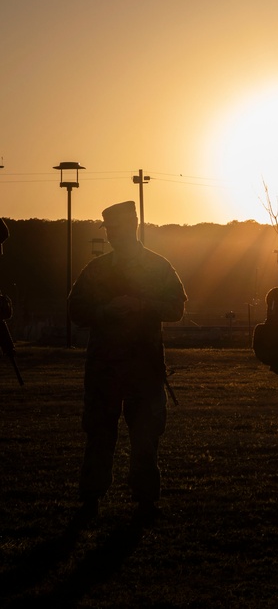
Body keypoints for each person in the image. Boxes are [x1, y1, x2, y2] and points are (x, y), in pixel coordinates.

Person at [68, 201, 187, 523]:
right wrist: (104, 311)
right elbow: (75, 310)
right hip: (106, 368)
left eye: (116, 229)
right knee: (99, 434)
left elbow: (176, 308)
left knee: (146, 437)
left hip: (143, 367)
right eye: (109, 230)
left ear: (131, 226)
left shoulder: (157, 267)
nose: (111, 236)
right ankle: (92, 499)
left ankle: (145, 500)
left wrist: (142, 306)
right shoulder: (98, 269)